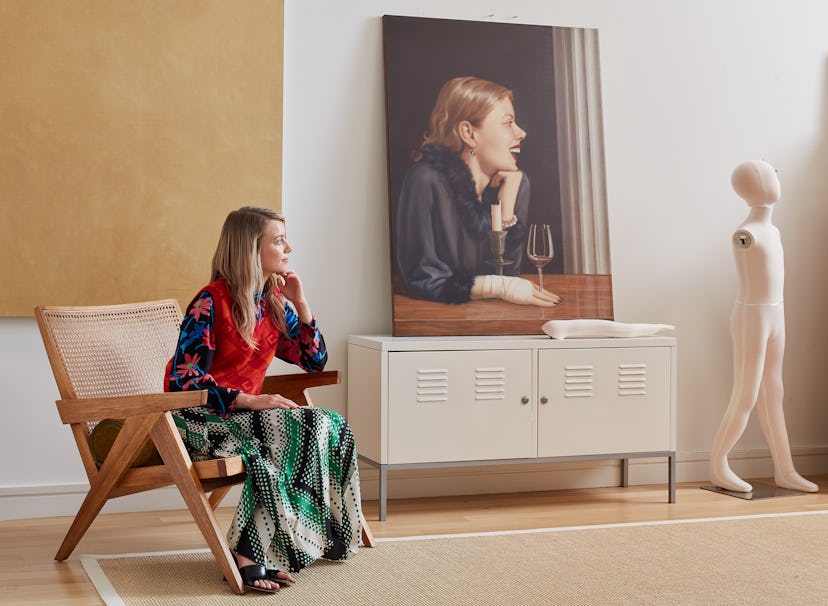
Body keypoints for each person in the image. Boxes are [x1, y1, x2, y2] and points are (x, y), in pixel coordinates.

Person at [165, 206, 362, 593]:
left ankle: (320, 533)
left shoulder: (270, 302)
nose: (288, 246)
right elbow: (185, 383)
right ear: (249, 249)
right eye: (278, 239)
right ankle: (250, 551)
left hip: (245, 422)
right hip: (201, 423)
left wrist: (301, 305)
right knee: (304, 425)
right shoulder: (210, 302)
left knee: (331, 422)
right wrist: (249, 401)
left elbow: (313, 359)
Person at [394, 76, 559, 307]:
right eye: (508, 122)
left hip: (493, 319)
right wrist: (496, 287)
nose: (521, 133)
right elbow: (424, 279)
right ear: (469, 134)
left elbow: (508, 277)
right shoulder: (425, 180)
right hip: (439, 321)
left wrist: (506, 212)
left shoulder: (515, 184)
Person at [708, 161, 817, 493]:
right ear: (752, 186)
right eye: (769, 172)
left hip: (776, 315)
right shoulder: (745, 234)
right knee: (747, 392)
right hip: (751, 317)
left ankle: (785, 470)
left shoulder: (774, 231)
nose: (776, 177)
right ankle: (718, 464)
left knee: (774, 393)